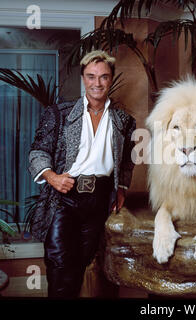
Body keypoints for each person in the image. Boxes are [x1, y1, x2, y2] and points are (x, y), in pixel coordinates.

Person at [28, 50, 136, 298]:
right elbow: (37, 152)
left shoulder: (124, 120)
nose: (97, 83)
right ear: (83, 79)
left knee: (80, 263)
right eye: (91, 76)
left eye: (103, 77)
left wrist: (122, 188)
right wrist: (52, 177)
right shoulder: (60, 113)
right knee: (59, 262)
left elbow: (128, 160)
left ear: (111, 79)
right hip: (63, 199)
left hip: (99, 201)